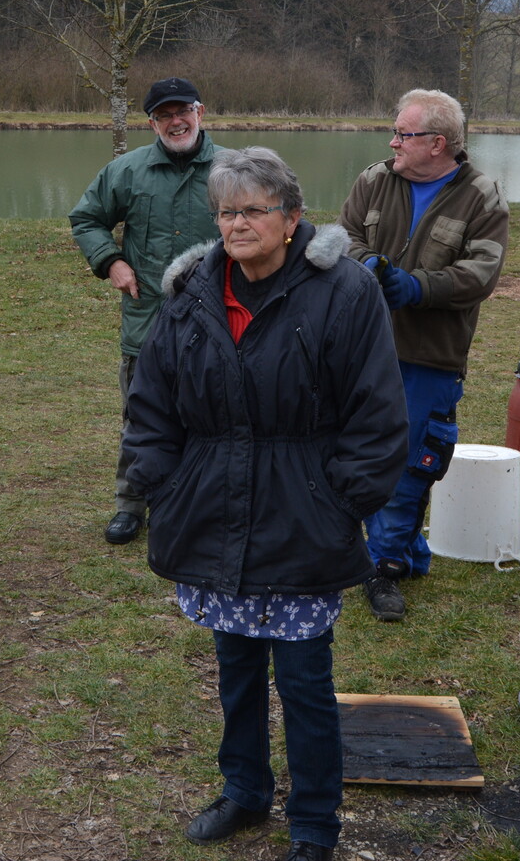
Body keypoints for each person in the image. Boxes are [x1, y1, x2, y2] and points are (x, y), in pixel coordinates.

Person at [123, 147, 407, 861]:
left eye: (253, 210)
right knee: (237, 667)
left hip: (303, 514)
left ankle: (314, 824)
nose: (236, 224)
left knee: (307, 682)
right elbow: (152, 404)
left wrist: (340, 502)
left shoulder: (344, 292)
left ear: (291, 219)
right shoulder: (191, 292)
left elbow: (377, 417)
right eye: (226, 211)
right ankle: (244, 792)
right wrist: (159, 485)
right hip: (215, 510)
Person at [339, 89, 508, 623]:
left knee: (410, 460)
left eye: (403, 134)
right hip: (361, 347)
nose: (393, 142)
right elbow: (341, 236)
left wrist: (418, 287)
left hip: (429, 355)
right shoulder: (374, 180)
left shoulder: (481, 196)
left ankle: (382, 568)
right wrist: (369, 267)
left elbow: (482, 273)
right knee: (360, 450)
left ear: (437, 144)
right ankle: (404, 554)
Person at [69, 77, 223, 545]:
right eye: (164, 115)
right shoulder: (127, 171)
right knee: (141, 415)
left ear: (200, 112)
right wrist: (110, 260)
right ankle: (131, 504)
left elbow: (271, 222)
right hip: (147, 321)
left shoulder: (234, 169)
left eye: (183, 112)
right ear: (152, 122)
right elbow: (87, 218)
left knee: (213, 415)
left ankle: (197, 503)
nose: (176, 122)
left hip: (218, 321)